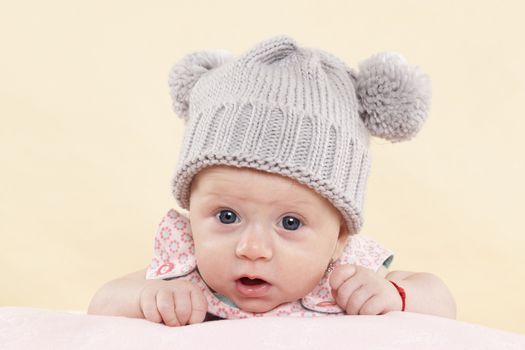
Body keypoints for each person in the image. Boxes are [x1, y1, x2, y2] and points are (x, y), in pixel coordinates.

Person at [88, 35, 456, 326]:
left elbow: (440, 299)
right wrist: (146, 297)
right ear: (192, 210)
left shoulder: (343, 277)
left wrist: (394, 295)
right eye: (227, 216)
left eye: (290, 223)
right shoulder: (186, 273)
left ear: (339, 237)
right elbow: (102, 302)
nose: (252, 248)